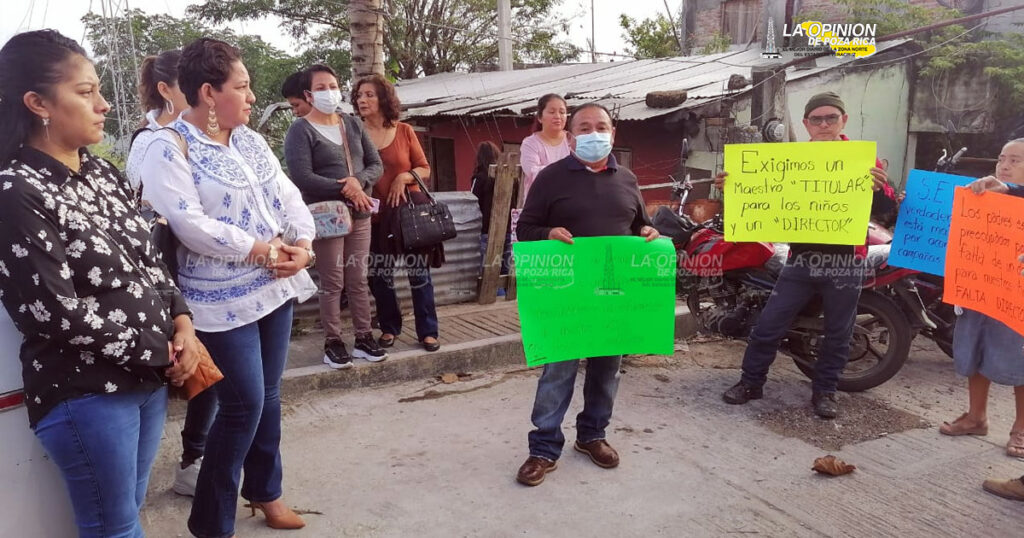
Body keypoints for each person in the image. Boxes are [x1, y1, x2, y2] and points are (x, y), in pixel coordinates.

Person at [0, 29, 199, 536]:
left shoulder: (101, 173)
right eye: (86, 92)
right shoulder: (17, 191)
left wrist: (184, 325)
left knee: (127, 514)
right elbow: (50, 309)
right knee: (114, 527)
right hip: (87, 389)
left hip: (148, 379)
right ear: (38, 102)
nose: (104, 104)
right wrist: (163, 350)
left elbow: (149, 261)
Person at [140, 37, 317, 536]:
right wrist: (262, 249)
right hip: (217, 299)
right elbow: (187, 222)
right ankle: (211, 522)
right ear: (208, 93)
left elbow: (288, 194)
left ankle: (266, 491)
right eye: (242, 87)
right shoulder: (166, 146)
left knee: (269, 395)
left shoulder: (250, 140)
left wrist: (301, 243)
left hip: (275, 287)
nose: (252, 97)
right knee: (243, 405)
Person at [717, 91, 896, 419]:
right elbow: (761, 199)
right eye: (817, 118)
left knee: (839, 333)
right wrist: (733, 186)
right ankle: (751, 382)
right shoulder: (790, 160)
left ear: (844, 120)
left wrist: (881, 190)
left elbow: (885, 213)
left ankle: (825, 391)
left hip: (845, 262)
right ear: (806, 124)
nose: (824, 124)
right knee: (768, 326)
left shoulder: (864, 160)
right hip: (800, 259)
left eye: (831, 117)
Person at [514, 103, 660, 487]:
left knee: (606, 370)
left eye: (602, 127)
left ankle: (593, 435)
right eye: (584, 127)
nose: (594, 133)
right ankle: (543, 448)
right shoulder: (550, 178)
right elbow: (524, 228)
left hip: (612, 295)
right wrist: (547, 233)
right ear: (571, 134)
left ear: (613, 133)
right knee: (558, 371)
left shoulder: (626, 179)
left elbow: (639, 224)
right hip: (566, 297)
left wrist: (648, 233)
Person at [124, 49, 219, 499]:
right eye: (191, 85)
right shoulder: (151, 141)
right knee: (198, 367)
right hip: (173, 274)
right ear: (165, 90)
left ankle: (198, 456)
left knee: (206, 370)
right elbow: (171, 216)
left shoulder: (200, 134)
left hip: (197, 270)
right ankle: (192, 461)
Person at [284, 64, 387, 368]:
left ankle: (364, 337)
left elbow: (375, 164)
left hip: (360, 215)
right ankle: (333, 341)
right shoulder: (300, 130)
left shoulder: (352, 124)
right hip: (328, 217)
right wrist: (346, 188)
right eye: (320, 87)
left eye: (332, 85)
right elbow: (302, 176)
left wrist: (358, 183)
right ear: (308, 94)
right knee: (333, 281)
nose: (329, 92)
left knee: (358, 279)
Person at [941, 138, 1024, 458]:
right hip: (979, 287)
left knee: (1020, 360)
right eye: (1002, 159)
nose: (1004, 165)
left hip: (1014, 297)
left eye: (1015, 160)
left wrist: (1012, 192)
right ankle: (976, 417)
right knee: (974, 350)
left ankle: (1020, 428)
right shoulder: (979, 199)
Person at [353, 73, 441, 352]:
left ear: (383, 99)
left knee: (419, 273)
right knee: (379, 276)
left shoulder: (404, 131)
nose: (362, 99)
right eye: (359, 95)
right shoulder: (353, 133)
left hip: (406, 217)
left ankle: (428, 331)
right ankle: (389, 327)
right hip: (373, 216)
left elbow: (424, 168)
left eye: (369, 94)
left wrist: (404, 178)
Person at [471, 141, 514, 293]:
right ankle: (506, 299)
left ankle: (498, 299)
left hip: (487, 231)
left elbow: (473, 203)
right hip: (508, 229)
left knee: (490, 270)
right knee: (505, 268)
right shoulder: (509, 176)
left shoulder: (480, 178)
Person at [519, 93, 570, 201]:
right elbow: (533, 172)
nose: (558, 116)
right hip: (540, 203)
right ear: (540, 117)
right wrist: (568, 172)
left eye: (562, 112)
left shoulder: (573, 140)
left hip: (569, 202)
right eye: (552, 112)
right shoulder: (530, 143)